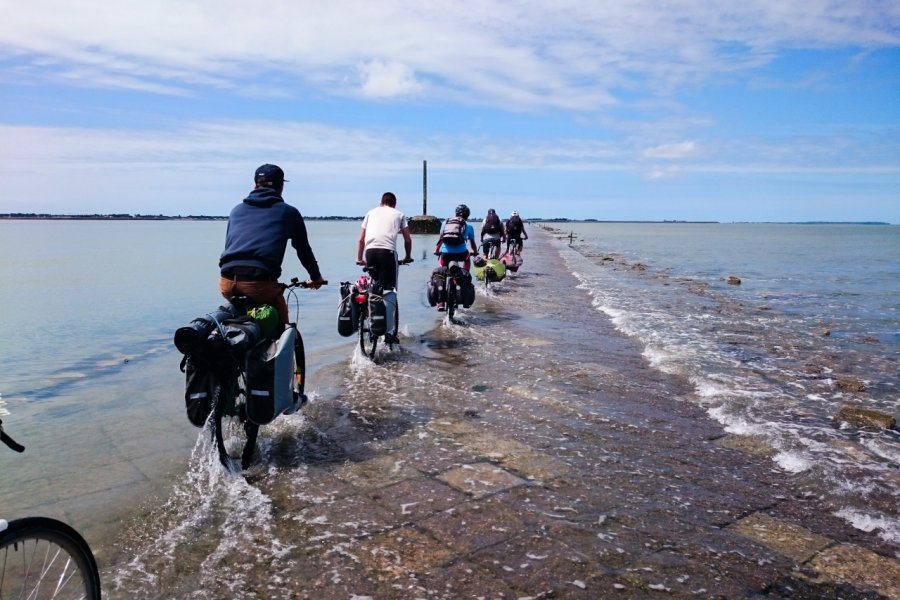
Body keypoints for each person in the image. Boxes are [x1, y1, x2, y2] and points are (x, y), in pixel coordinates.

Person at [219, 164, 326, 326]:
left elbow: (230, 244)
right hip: (259, 284)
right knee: (282, 327)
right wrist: (316, 277)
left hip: (226, 281)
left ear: (254, 185)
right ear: (281, 187)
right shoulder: (288, 212)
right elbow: (303, 249)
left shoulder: (236, 210)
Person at [356, 192, 414, 345]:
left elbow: (361, 239)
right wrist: (408, 257)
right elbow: (408, 239)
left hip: (370, 252)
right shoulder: (399, 214)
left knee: (372, 286)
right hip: (387, 253)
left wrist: (359, 258)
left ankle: (368, 316)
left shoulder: (370, 213)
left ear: (380, 202)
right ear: (394, 204)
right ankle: (388, 332)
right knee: (390, 289)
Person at [433, 203, 478, 311]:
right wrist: (475, 252)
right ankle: (464, 274)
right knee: (467, 259)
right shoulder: (469, 226)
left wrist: (437, 250)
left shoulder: (445, 223)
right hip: (461, 254)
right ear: (467, 216)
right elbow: (472, 244)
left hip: (446, 254)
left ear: (455, 213)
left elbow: (441, 239)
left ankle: (440, 303)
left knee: (441, 271)